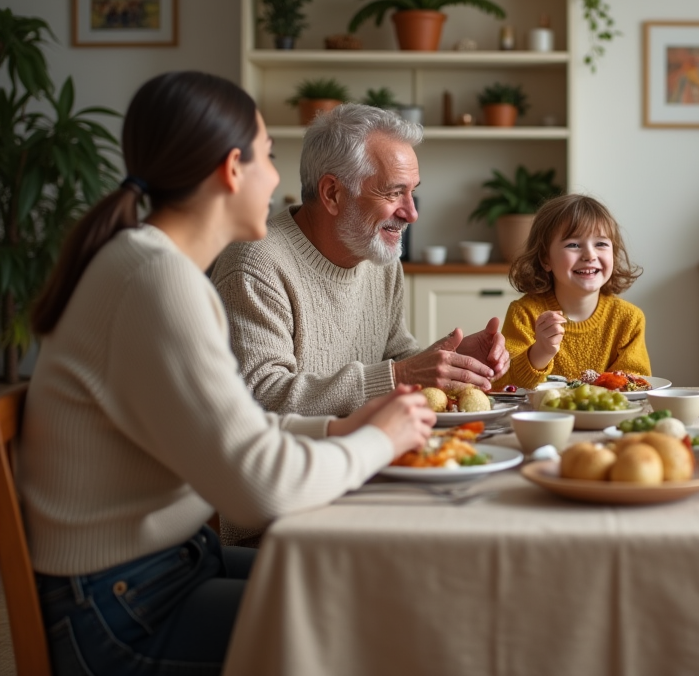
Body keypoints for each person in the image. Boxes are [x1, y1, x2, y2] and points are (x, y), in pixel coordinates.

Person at [18, 71, 436, 675]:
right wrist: (377, 440)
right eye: (266, 155)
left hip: (171, 564)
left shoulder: (157, 267)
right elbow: (256, 483)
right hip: (121, 605)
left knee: (372, 589)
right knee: (373, 627)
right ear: (229, 171)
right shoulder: (156, 280)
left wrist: (343, 432)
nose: (275, 177)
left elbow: (239, 435)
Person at [211, 103, 509, 421]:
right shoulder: (255, 265)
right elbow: (262, 398)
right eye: (394, 193)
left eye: (412, 192)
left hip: (370, 448)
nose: (412, 213)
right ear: (332, 193)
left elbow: (396, 356)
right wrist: (401, 376)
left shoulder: (378, 255)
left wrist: (452, 362)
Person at [502, 194, 650, 388]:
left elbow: (634, 386)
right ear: (546, 259)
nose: (590, 255)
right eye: (573, 245)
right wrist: (541, 351)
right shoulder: (524, 313)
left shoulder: (629, 319)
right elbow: (508, 385)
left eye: (601, 244)